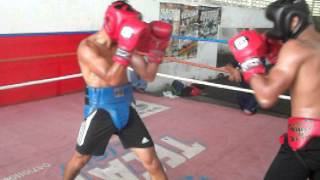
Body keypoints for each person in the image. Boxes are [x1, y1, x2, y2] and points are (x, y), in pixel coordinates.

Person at [63, 1, 172, 180]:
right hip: (100, 109)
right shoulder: (88, 47)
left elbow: (148, 76)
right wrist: (125, 49)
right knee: (80, 159)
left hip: (126, 106)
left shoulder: (123, 44)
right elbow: (111, 78)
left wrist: (157, 50)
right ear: (113, 24)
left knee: (152, 161)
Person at [228, 0, 320, 179]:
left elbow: (266, 97)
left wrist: (249, 61)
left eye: (276, 21)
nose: (276, 28)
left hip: (305, 140)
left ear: (292, 20)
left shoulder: (295, 48)